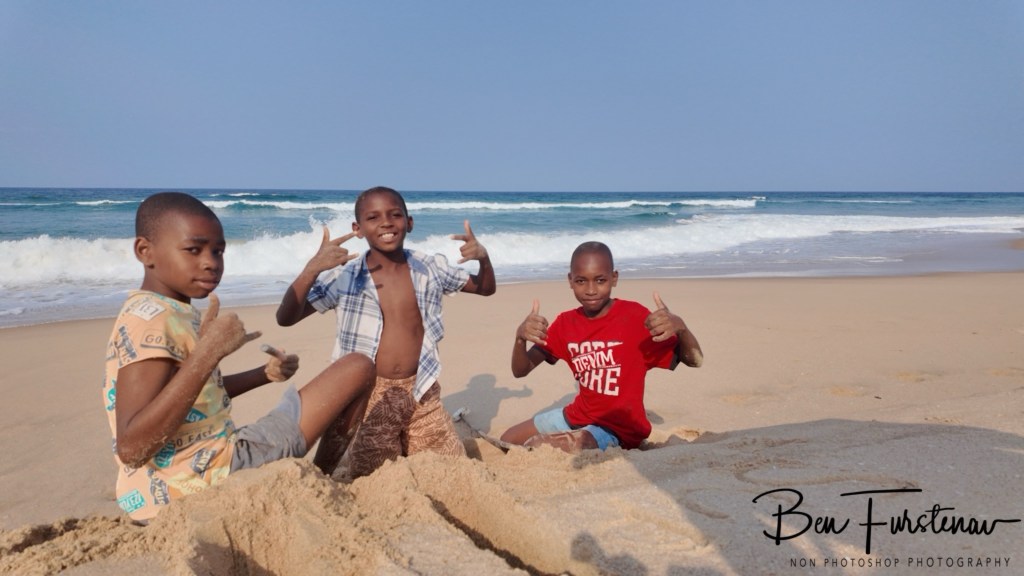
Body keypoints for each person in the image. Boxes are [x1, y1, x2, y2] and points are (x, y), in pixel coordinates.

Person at [104, 192, 374, 523]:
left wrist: (264, 374)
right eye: (194, 249)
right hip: (216, 476)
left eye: (218, 251)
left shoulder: (164, 310)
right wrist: (208, 353)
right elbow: (132, 448)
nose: (210, 262)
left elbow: (191, 399)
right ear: (145, 252)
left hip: (158, 492)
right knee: (357, 367)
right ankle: (319, 477)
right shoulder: (153, 318)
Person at [276, 186, 496, 478]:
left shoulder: (430, 266)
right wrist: (312, 269)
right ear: (358, 228)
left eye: (395, 215)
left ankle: (414, 439)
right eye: (373, 217)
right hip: (371, 399)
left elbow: (485, 288)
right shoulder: (346, 276)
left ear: (410, 222)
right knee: (374, 473)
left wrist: (484, 258)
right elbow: (286, 317)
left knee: (452, 469)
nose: (386, 223)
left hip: (423, 389)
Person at [500, 241, 703, 452]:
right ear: (570, 280)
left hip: (619, 429)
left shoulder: (635, 318)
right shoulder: (565, 324)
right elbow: (520, 371)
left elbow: (694, 361)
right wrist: (520, 337)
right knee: (508, 439)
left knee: (548, 445)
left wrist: (681, 328)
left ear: (614, 278)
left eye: (600, 280)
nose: (590, 290)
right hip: (577, 416)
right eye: (581, 281)